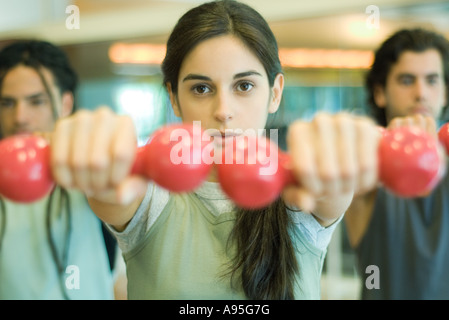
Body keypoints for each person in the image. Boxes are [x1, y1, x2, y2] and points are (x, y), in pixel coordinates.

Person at [49, 0, 381, 300]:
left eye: (244, 86)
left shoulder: (301, 192)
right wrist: (95, 147)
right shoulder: (145, 198)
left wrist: (342, 147)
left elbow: (333, 188)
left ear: (275, 92)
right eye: (202, 88)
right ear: (174, 98)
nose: (223, 110)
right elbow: (112, 191)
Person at [0, 40, 119, 299]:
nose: (20, 116)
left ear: (65, 104)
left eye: (36, 101)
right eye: (7, 103)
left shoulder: (88, 168)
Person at [345, 28, 449, 299]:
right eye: (406, 80)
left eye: (432, 80)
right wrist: (404, 146)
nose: (421, 93)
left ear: (445, 93)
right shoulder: (365, 161)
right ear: (380, 93)